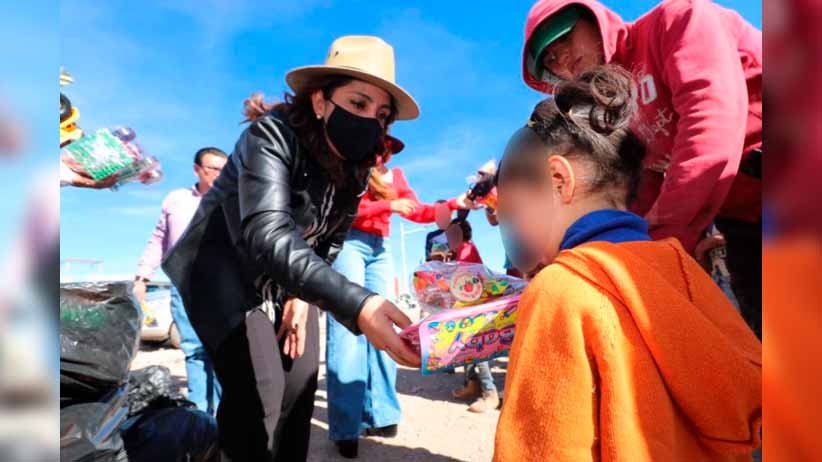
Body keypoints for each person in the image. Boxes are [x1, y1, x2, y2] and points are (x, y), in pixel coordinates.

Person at [161, 35, 422, 462]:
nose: (370, 120)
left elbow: (331, 241)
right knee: (259, 395)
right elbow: (267, 233)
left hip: (288, 279)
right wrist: (359, 305)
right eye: (357, 103)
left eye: (381, 114)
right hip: (226, 275)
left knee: (300, 388)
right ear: (320, 102)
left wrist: (302, 296)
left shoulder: (356, 171)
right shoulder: (271, 135)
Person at [492, 66, 761, 461]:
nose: (513, 225)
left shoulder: (557, 288)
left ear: (558, 181)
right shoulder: (680, 263)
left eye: (513, 209)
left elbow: (543, 449)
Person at [521, 0, 762, 338]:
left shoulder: (679, 20)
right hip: (740, 215)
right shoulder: (611, 105)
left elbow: (712, 126)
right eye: (550, 60)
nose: (561, 59)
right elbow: (642, 187)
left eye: (564, 37)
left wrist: (653, 245)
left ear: (593, 19)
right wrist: (604, 255)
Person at [326, 135, 471, 458]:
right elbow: (340, 207)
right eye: (379, 145)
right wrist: (386, 205)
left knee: (387, 326)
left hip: (381, 246)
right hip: (348, 240)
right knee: (348, 329)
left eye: (388, 147)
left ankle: (382, 413)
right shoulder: (348, 165)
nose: (384, 152)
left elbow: (418, 210)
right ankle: (346, 426)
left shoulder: (396, 175)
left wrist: (452, 204)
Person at [132, 147, 228, 415]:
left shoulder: (233, 200)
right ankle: (199, 416)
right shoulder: (176, 199)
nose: (220, 175)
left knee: (222, 352)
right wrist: (142, 276)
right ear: (197, 169)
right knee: (194, 351)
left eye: (225, 169)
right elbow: (158, 240)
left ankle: (223, 416)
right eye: (213, 169)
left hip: (222, 285)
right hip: (183, 282)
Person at [443, 218, 500, 413]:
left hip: (474, 306)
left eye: (454, 234)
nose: (450, 238)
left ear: (463, 234)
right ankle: (472, 384)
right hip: (467, 306)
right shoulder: (460, 251)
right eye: (448, 235)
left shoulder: (466, 248)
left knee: (477, 349)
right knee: (466, 348)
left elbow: (466, 280)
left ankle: (489, 392)